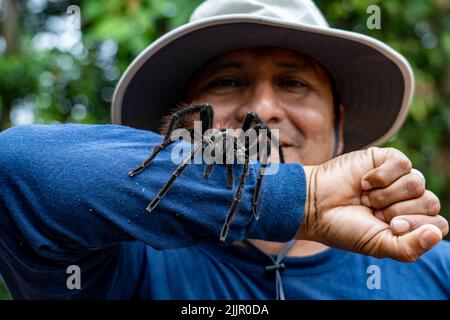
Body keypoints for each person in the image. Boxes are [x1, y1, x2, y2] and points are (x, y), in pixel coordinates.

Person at [0, 0, 448, 299]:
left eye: (294, 83)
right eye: (227, 82)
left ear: (341, 125)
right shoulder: (124, 262)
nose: (263, 108)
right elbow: (14, 166)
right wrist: (300, 199)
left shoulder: (434, 269)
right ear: (190, 121)